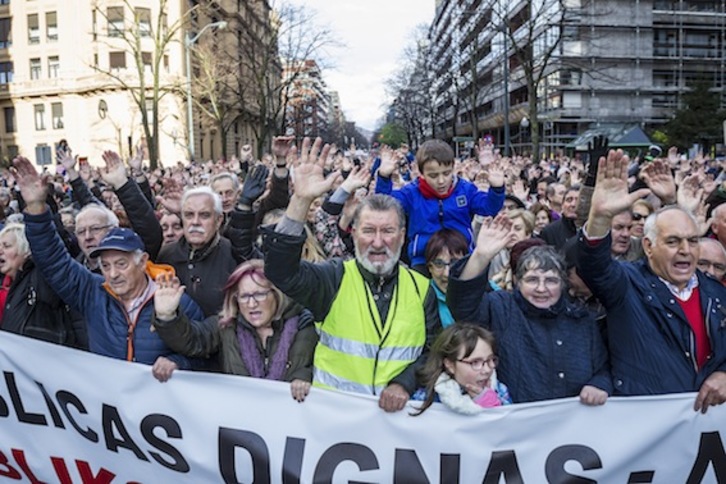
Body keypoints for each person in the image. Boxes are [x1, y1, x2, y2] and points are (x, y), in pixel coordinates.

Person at [264, 137, 441, 412]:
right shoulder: (333, 278)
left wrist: (403, 382)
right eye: (369, 231)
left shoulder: (422, 289)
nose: (378, 242)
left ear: (403, 236)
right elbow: (280, 271)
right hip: (334, 420)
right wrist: (300, 201)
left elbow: (432, 352)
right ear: (354, 233)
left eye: (388, 231)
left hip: (396, 426)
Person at [12, 156, 203, 382]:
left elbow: (205, 355)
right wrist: (35, 208)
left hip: (158, 413)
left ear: (142, 262)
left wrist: (178, 363)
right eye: (105, 266)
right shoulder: (94, 294)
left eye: (121, 264)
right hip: (108, 410)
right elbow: (54, 261)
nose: (112, 274)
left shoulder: (175, 300)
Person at [578, 149, 726, 413]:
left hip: (705, 433)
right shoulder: (627, 284)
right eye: (672, 242)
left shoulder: (716, 291)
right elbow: (594, 266)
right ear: (648, 246)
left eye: (692, 241)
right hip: (647, 429)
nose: (685, 250)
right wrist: (599, 219)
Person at [448, 213, 611, 404]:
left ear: (563, 284)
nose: (541, 289)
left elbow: (603, 368)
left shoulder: (582, 320)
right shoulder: (501, 308)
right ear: (517, 281)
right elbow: (463, 306)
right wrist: (481, 257)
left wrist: (599, 384)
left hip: (570, 426)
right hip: (516, 426)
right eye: (532, 280)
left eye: (551, 280)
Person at [152, 259, 318, 401]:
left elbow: (319, 368)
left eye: (260, 294)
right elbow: (193, 341)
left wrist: (304, 378)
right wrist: (167, 316)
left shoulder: (304, 327)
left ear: (276, 294)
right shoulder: (226, 326)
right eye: (244, 296)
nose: (252, 304)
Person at [375, 139, 505, 271]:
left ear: (453, 168)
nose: (441, 181)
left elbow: (489, 208)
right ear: (421, 174)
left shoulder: (465, 190)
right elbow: (385, 205)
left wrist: (497, 188)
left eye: (446, 173)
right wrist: (384, 176)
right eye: (433, 175)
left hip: (460, 256)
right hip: (423, 259)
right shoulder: (411, 193)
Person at [0, 223, 85, 348]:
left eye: (6, 246)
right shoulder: (10, 284)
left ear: (26, 250)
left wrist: (36, 208)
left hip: (44, 360)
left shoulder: (42, 275)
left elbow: (52, 244)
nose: (0, 251)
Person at [412, 323, 511, 415]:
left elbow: (513, 428)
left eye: (490, 360)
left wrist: (493, 406)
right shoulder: (425, 399)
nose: (487, 370)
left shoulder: (500, 391)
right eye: (475, 362)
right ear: (450, 365)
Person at [425, 229, 469, 328]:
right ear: (430, 267)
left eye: (454, 262)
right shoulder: (421, 297)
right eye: (439, 264)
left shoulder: (485, 290)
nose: (447, 273)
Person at [539, 186, 579, 251]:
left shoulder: (593, 229)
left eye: (578, 200)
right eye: (569, 200)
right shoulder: (549, 231)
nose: (573, 204)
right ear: (562, 205)